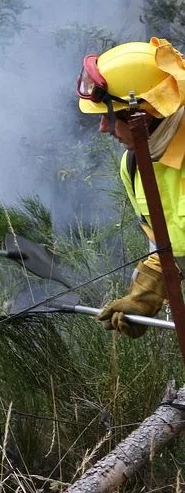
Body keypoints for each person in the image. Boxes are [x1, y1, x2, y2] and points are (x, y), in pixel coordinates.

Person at [76, 38, 185, 338]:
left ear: (142, 117)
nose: (103, 128)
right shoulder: (135, 165)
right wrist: (143, 298)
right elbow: (165, 250)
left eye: (108, 116)